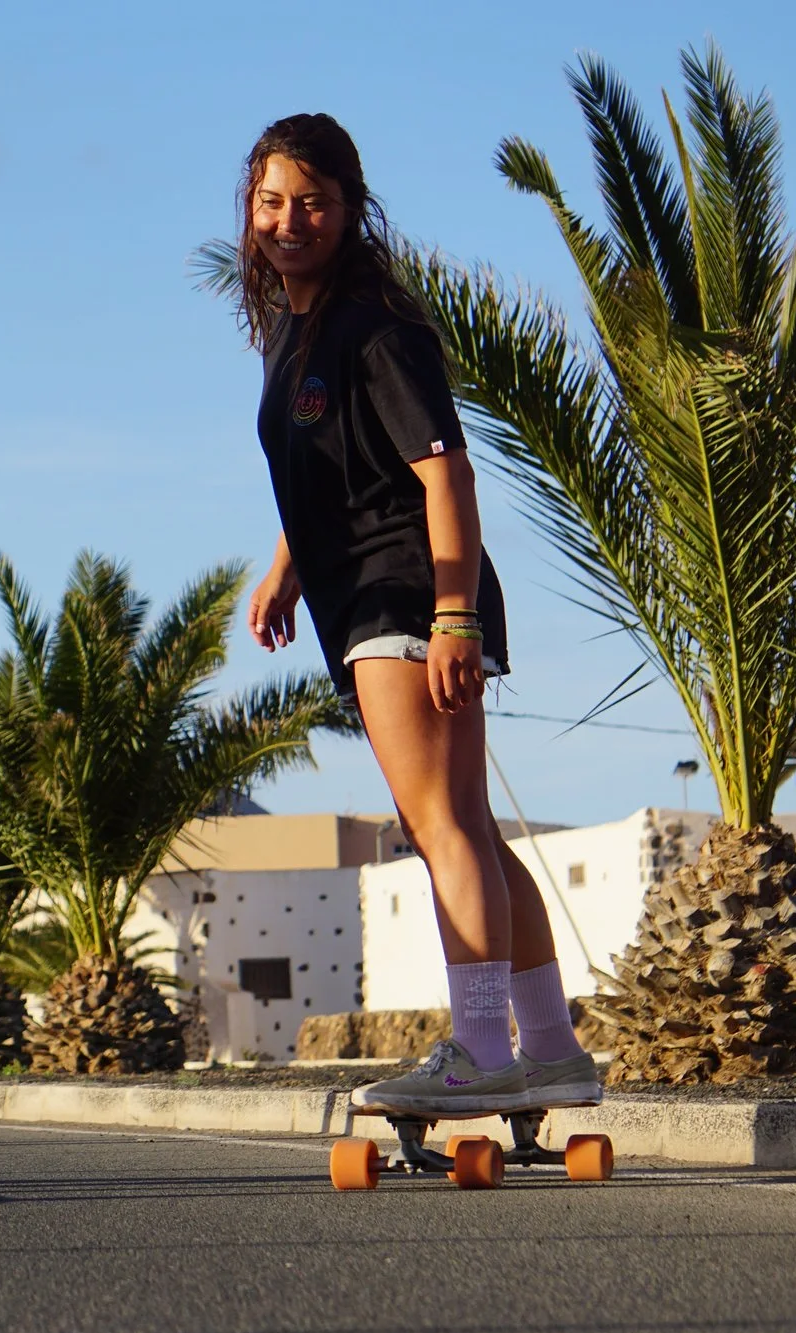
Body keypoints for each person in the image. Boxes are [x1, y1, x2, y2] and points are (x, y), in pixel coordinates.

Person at [234, 115, 597, 1114]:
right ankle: (554, 1049)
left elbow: (443, 473)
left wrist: (453, 617)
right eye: (271, 201)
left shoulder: (374, 327)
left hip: (408, 591)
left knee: (437, 825)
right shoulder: (293, 331)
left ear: (350, 208)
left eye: (311, 201)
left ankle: (482, 1048)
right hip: (365, 588)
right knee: (468, 825)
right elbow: (329, 468)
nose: (289, 220)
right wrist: (287, 567)